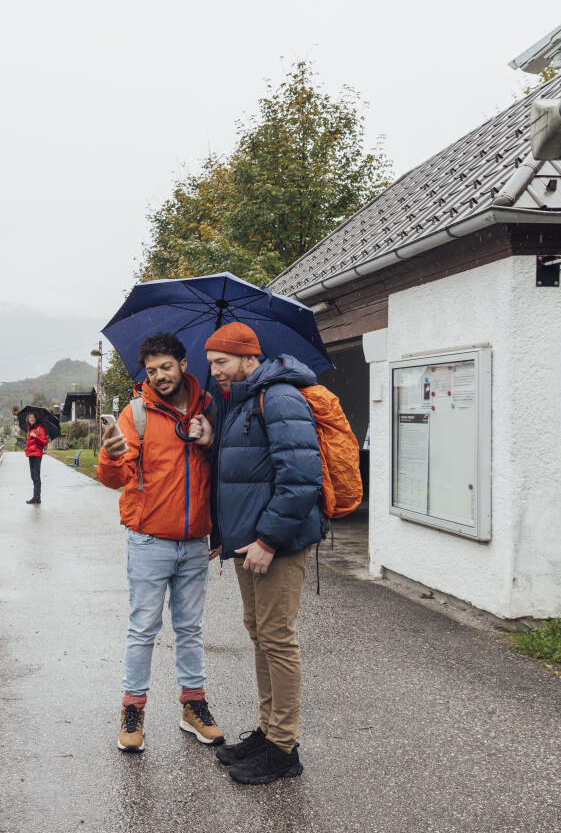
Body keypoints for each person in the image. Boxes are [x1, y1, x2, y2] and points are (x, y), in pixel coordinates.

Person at [204, 321, 324, 785]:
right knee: (259, 632)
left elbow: (299, 478)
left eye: (221, 362)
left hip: (276, 544)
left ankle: (284, 748)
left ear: (248, 358)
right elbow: (243, 472)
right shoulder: (241, 401)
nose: (214, 371)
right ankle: (268, 730)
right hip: (247, 542)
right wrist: (209, 440)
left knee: (276, 636)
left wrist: (268, 540)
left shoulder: (278, 397)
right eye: (211, 363)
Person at [97, 331, 222, 753]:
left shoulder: (210, 408)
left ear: (184, 365)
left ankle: (194, 707)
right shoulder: (137, 413)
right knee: (143, 629)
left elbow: (232, 466)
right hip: (149, 540)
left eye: (165, 367)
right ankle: (133, 712)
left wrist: (212, 440)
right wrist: (112, 454)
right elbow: (116, 477)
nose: (159, 376)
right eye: (151, 370)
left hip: (194, 543)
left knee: (190, 629)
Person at [24, 412, 47, 504]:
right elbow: (29, 443)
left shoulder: (39, 428)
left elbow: (44, 442)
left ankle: (36, 497)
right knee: (33, 476)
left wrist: (36, 437)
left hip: (37, 455)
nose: (31, 419)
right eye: (29, 417)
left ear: (35, 418)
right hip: (31, 455)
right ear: (28, 419)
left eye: (33, 417)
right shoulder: (30, 429)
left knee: (36, 476)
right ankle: (36, 497)